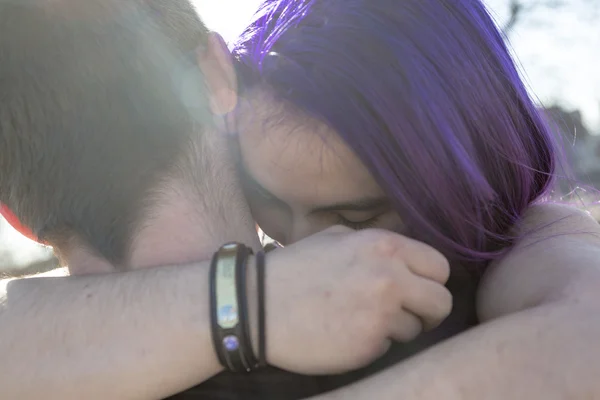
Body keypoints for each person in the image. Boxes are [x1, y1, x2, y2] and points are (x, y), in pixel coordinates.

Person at [1, 1, 599, 400]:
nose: (308, 248)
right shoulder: (244, 286)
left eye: (356, 215)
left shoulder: (531, 243)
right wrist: (250, 302)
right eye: (263, 196)